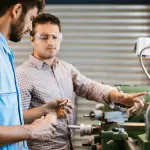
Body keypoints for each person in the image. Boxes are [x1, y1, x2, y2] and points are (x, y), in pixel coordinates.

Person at [16, 13, 146, 150]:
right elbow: (17, 119)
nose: (50, 42)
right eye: (44, 37)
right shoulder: (23, 75)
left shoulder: (66, 68)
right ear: (32, 39)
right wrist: (46, 111)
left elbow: (89, 87)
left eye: (55, 37)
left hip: (67, 145)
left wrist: (119, 97)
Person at [0, 1, 71, 150]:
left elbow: (9, 118)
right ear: (17, 10)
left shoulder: (5, 54)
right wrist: (31, 131)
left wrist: (44, 110)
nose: (30, 28)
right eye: (32, 19)